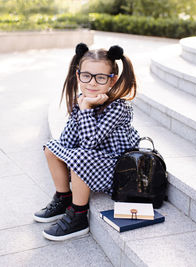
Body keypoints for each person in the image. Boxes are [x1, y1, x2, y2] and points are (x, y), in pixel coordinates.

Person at [33, 43, 140, 241]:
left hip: (117, 166)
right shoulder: (82, 100)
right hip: (96, 160)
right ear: (78, 75)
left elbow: (90, 143)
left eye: (100, 78)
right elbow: (67, 141)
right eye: (86, 76)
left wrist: (86, 110)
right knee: (51, 148)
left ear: (112, 80)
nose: (91, 83)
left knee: (79, 157)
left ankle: (79, 215)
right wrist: (82, 106)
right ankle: (63, 197)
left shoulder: (118, 107)